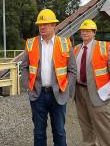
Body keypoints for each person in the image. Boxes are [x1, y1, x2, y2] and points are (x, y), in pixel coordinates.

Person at [21, 9, 77, 146]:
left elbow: (72, 70)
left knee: (59, 131)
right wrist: (29, 86)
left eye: (46, 24)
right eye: (40, 24)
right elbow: (24, 67)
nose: (42, 27)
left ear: (54, 26)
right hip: (37, 94)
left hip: (58, 94)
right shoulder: (31, 43)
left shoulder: (65, 43)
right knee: (39, 132)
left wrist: (66, 90)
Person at [73, 19, 110, 146]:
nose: (84, 33)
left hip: (98, 91)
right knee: (85, 124)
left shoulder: (104, 46)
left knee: (102, 124)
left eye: (88, 31)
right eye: (83, 31)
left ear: (94, 33)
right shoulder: (76, 49)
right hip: (79, 91)